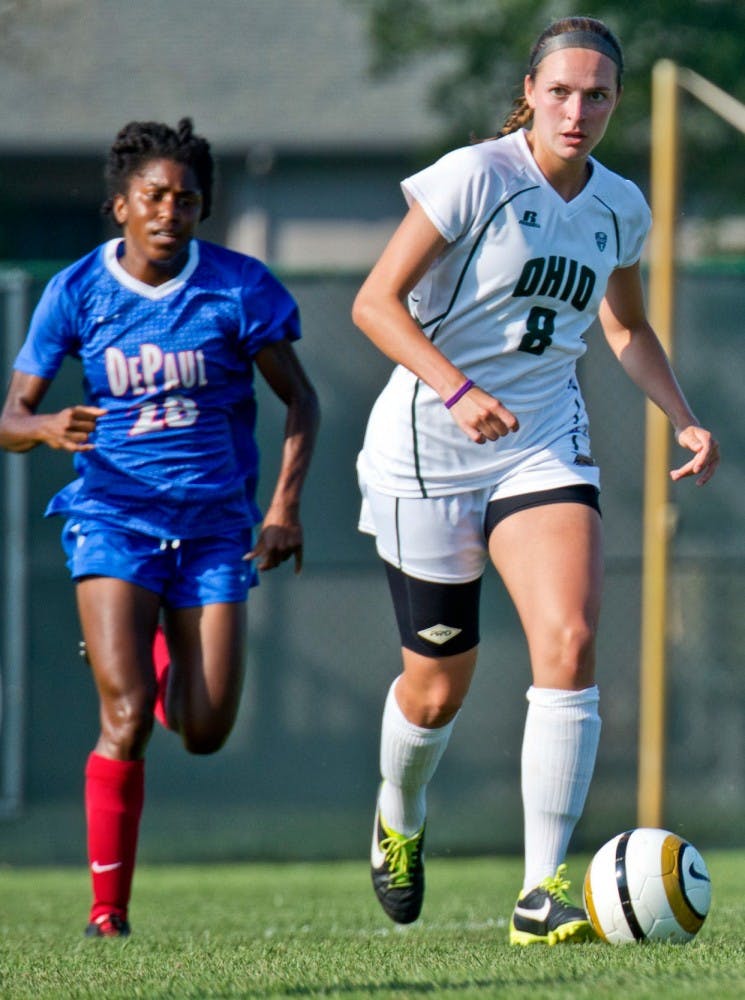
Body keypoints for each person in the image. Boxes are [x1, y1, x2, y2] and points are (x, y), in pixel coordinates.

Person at [351, 16, 719, 945]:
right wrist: (456, 386)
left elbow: (625, 330)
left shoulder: (617, 206)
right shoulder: (475, 175)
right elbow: (373, 303)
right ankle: (399, 814)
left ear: (615, 104)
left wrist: (682, 415)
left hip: (541, 440)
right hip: (428, 446)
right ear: (530, 91)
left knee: (571, 637)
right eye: (561, 91)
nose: (578, 109)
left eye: (597, 94)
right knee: (436, 688)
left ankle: (538, 891)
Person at [0, 118, 320, 938]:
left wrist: (282, 508)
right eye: (153, 196)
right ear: (120, 207)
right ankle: (108, 913)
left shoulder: (239, 288)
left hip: (216, 526)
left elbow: (302, 401)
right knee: (128, 717)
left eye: (185, 198)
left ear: (202, 209)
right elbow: (11, 417)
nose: (169, 211)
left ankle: (149, 647)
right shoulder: (75, 291)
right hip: (114, 518)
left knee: (207, 730)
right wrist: (42, 429)